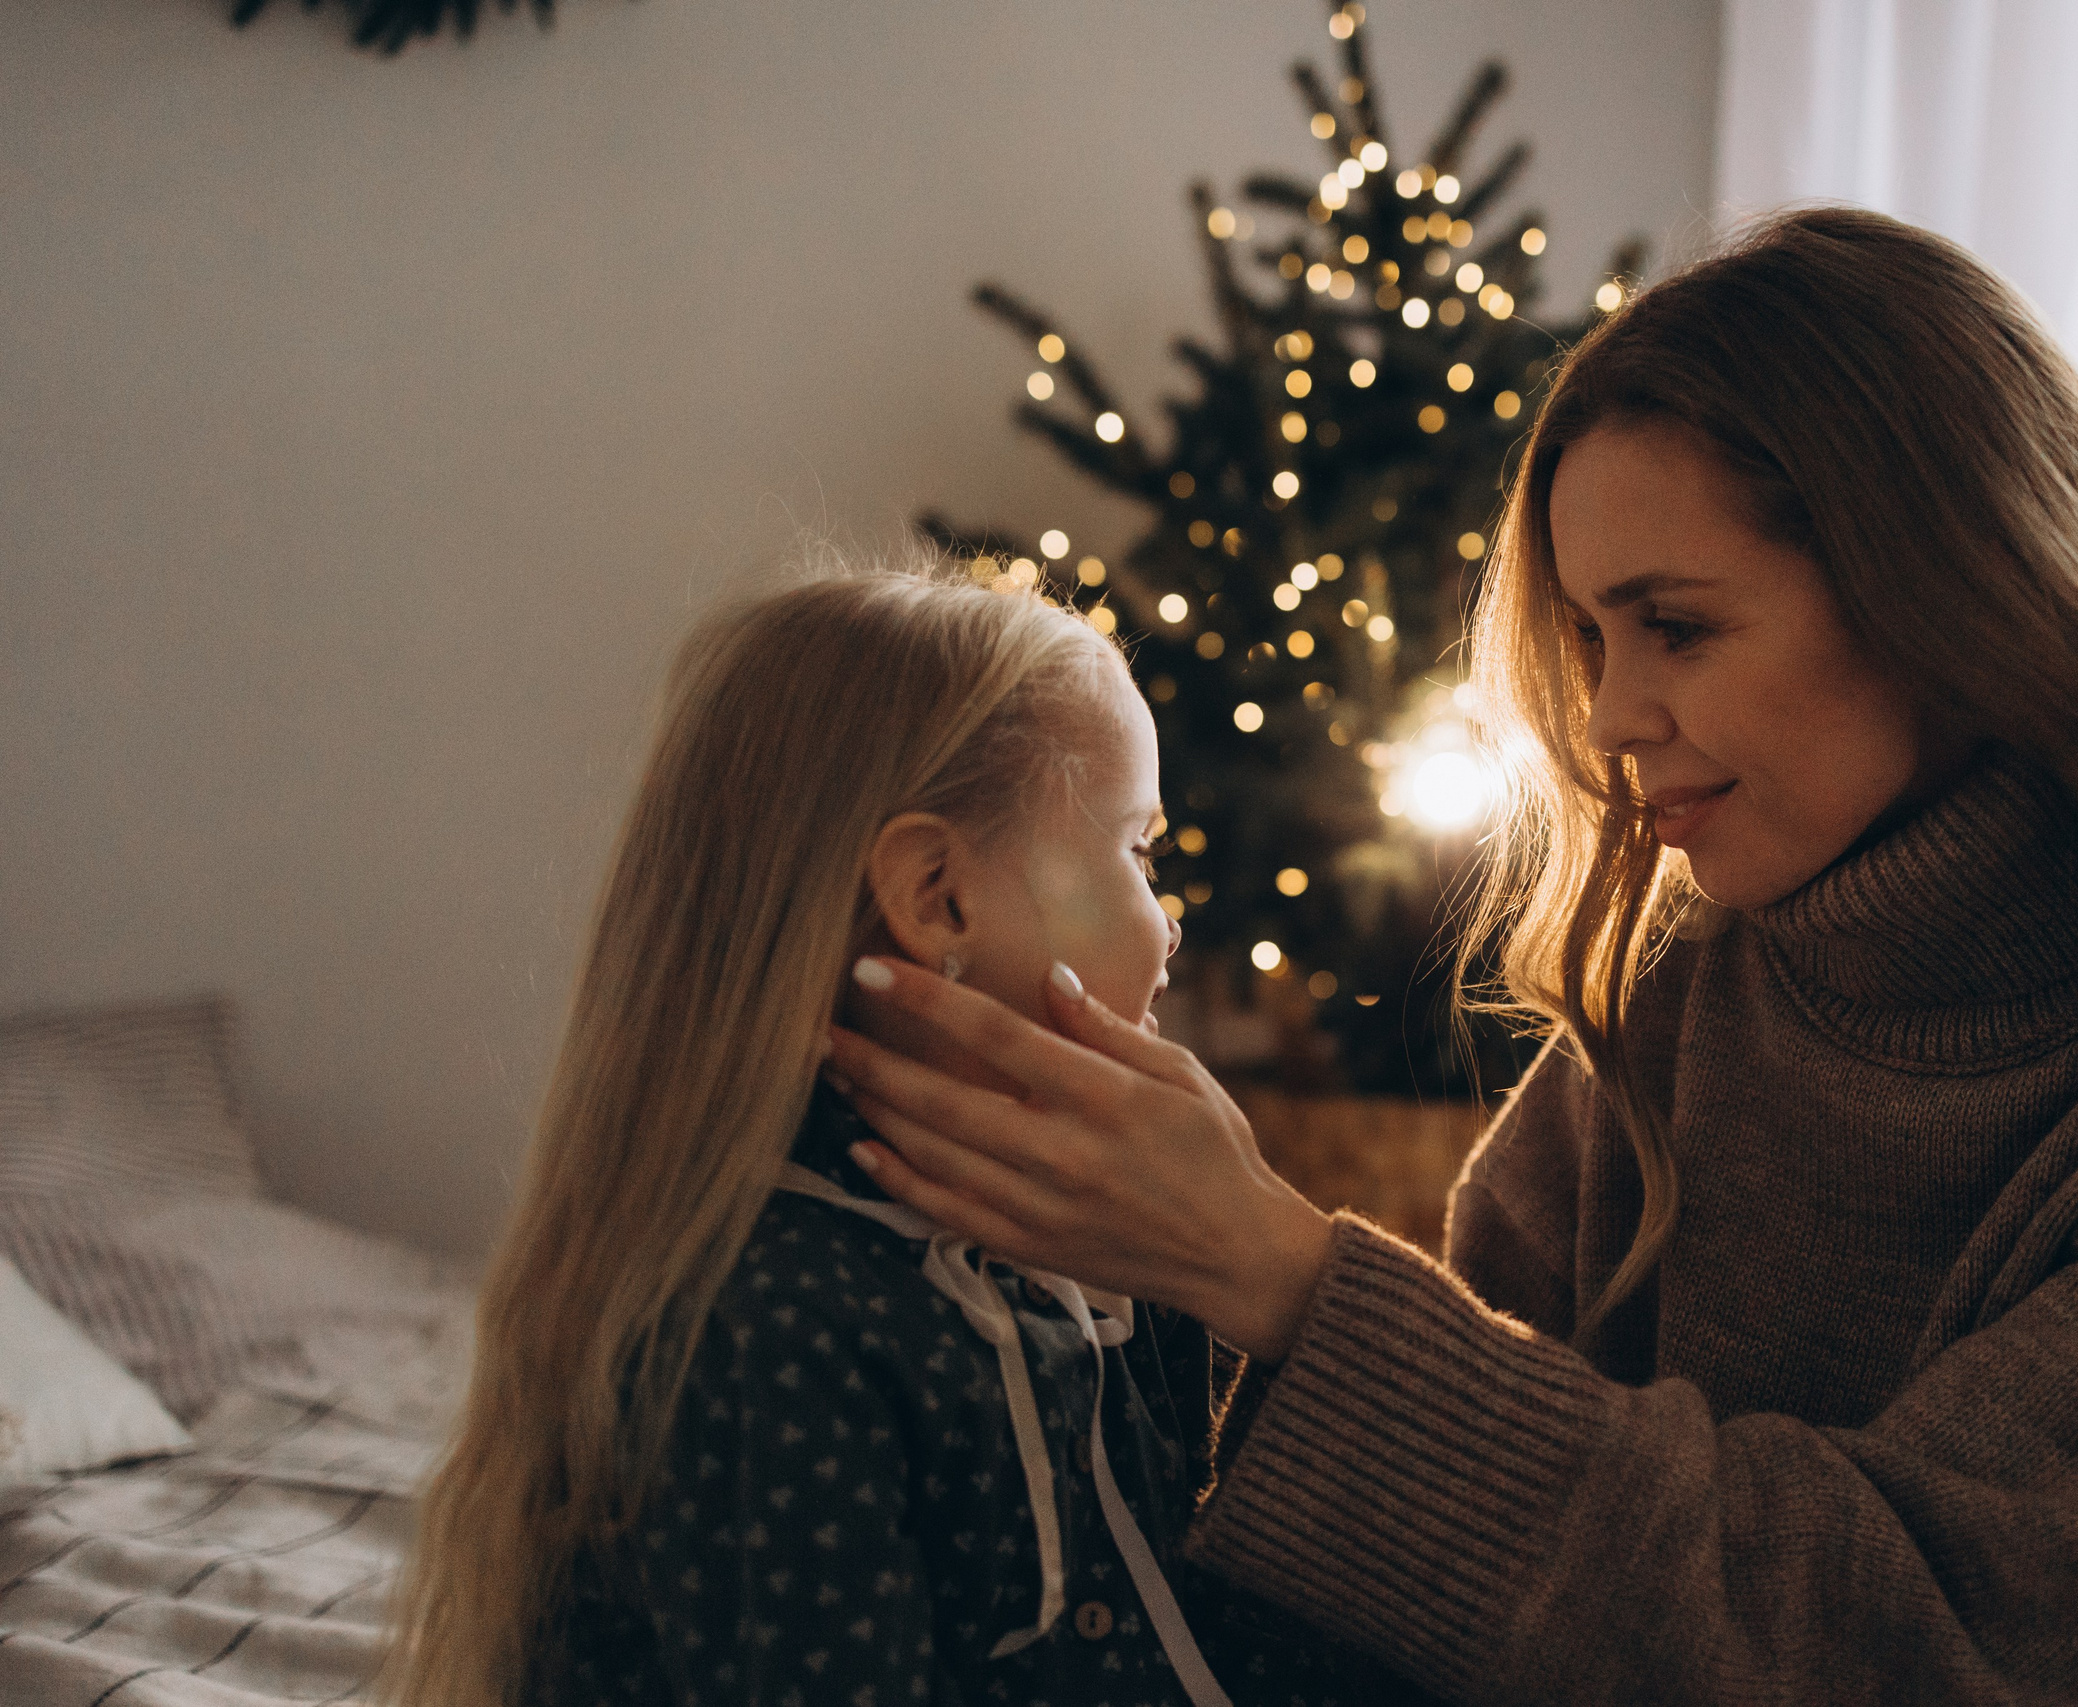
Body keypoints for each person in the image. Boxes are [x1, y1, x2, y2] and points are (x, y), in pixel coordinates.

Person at [821, 208, 2078, 1705]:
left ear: (1953, 584)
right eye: (1584, 635)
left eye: (1677, 624)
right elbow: (1464, 1528)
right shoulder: (1693, 972)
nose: (1612, 714)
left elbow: (1923, 1638)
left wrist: (1283, 1271)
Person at [383, 559, 1381, 1707]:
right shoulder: (774, 1328)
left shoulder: (1113, 1245)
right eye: (1137, 850)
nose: (1165, 925)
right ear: (937, 896)